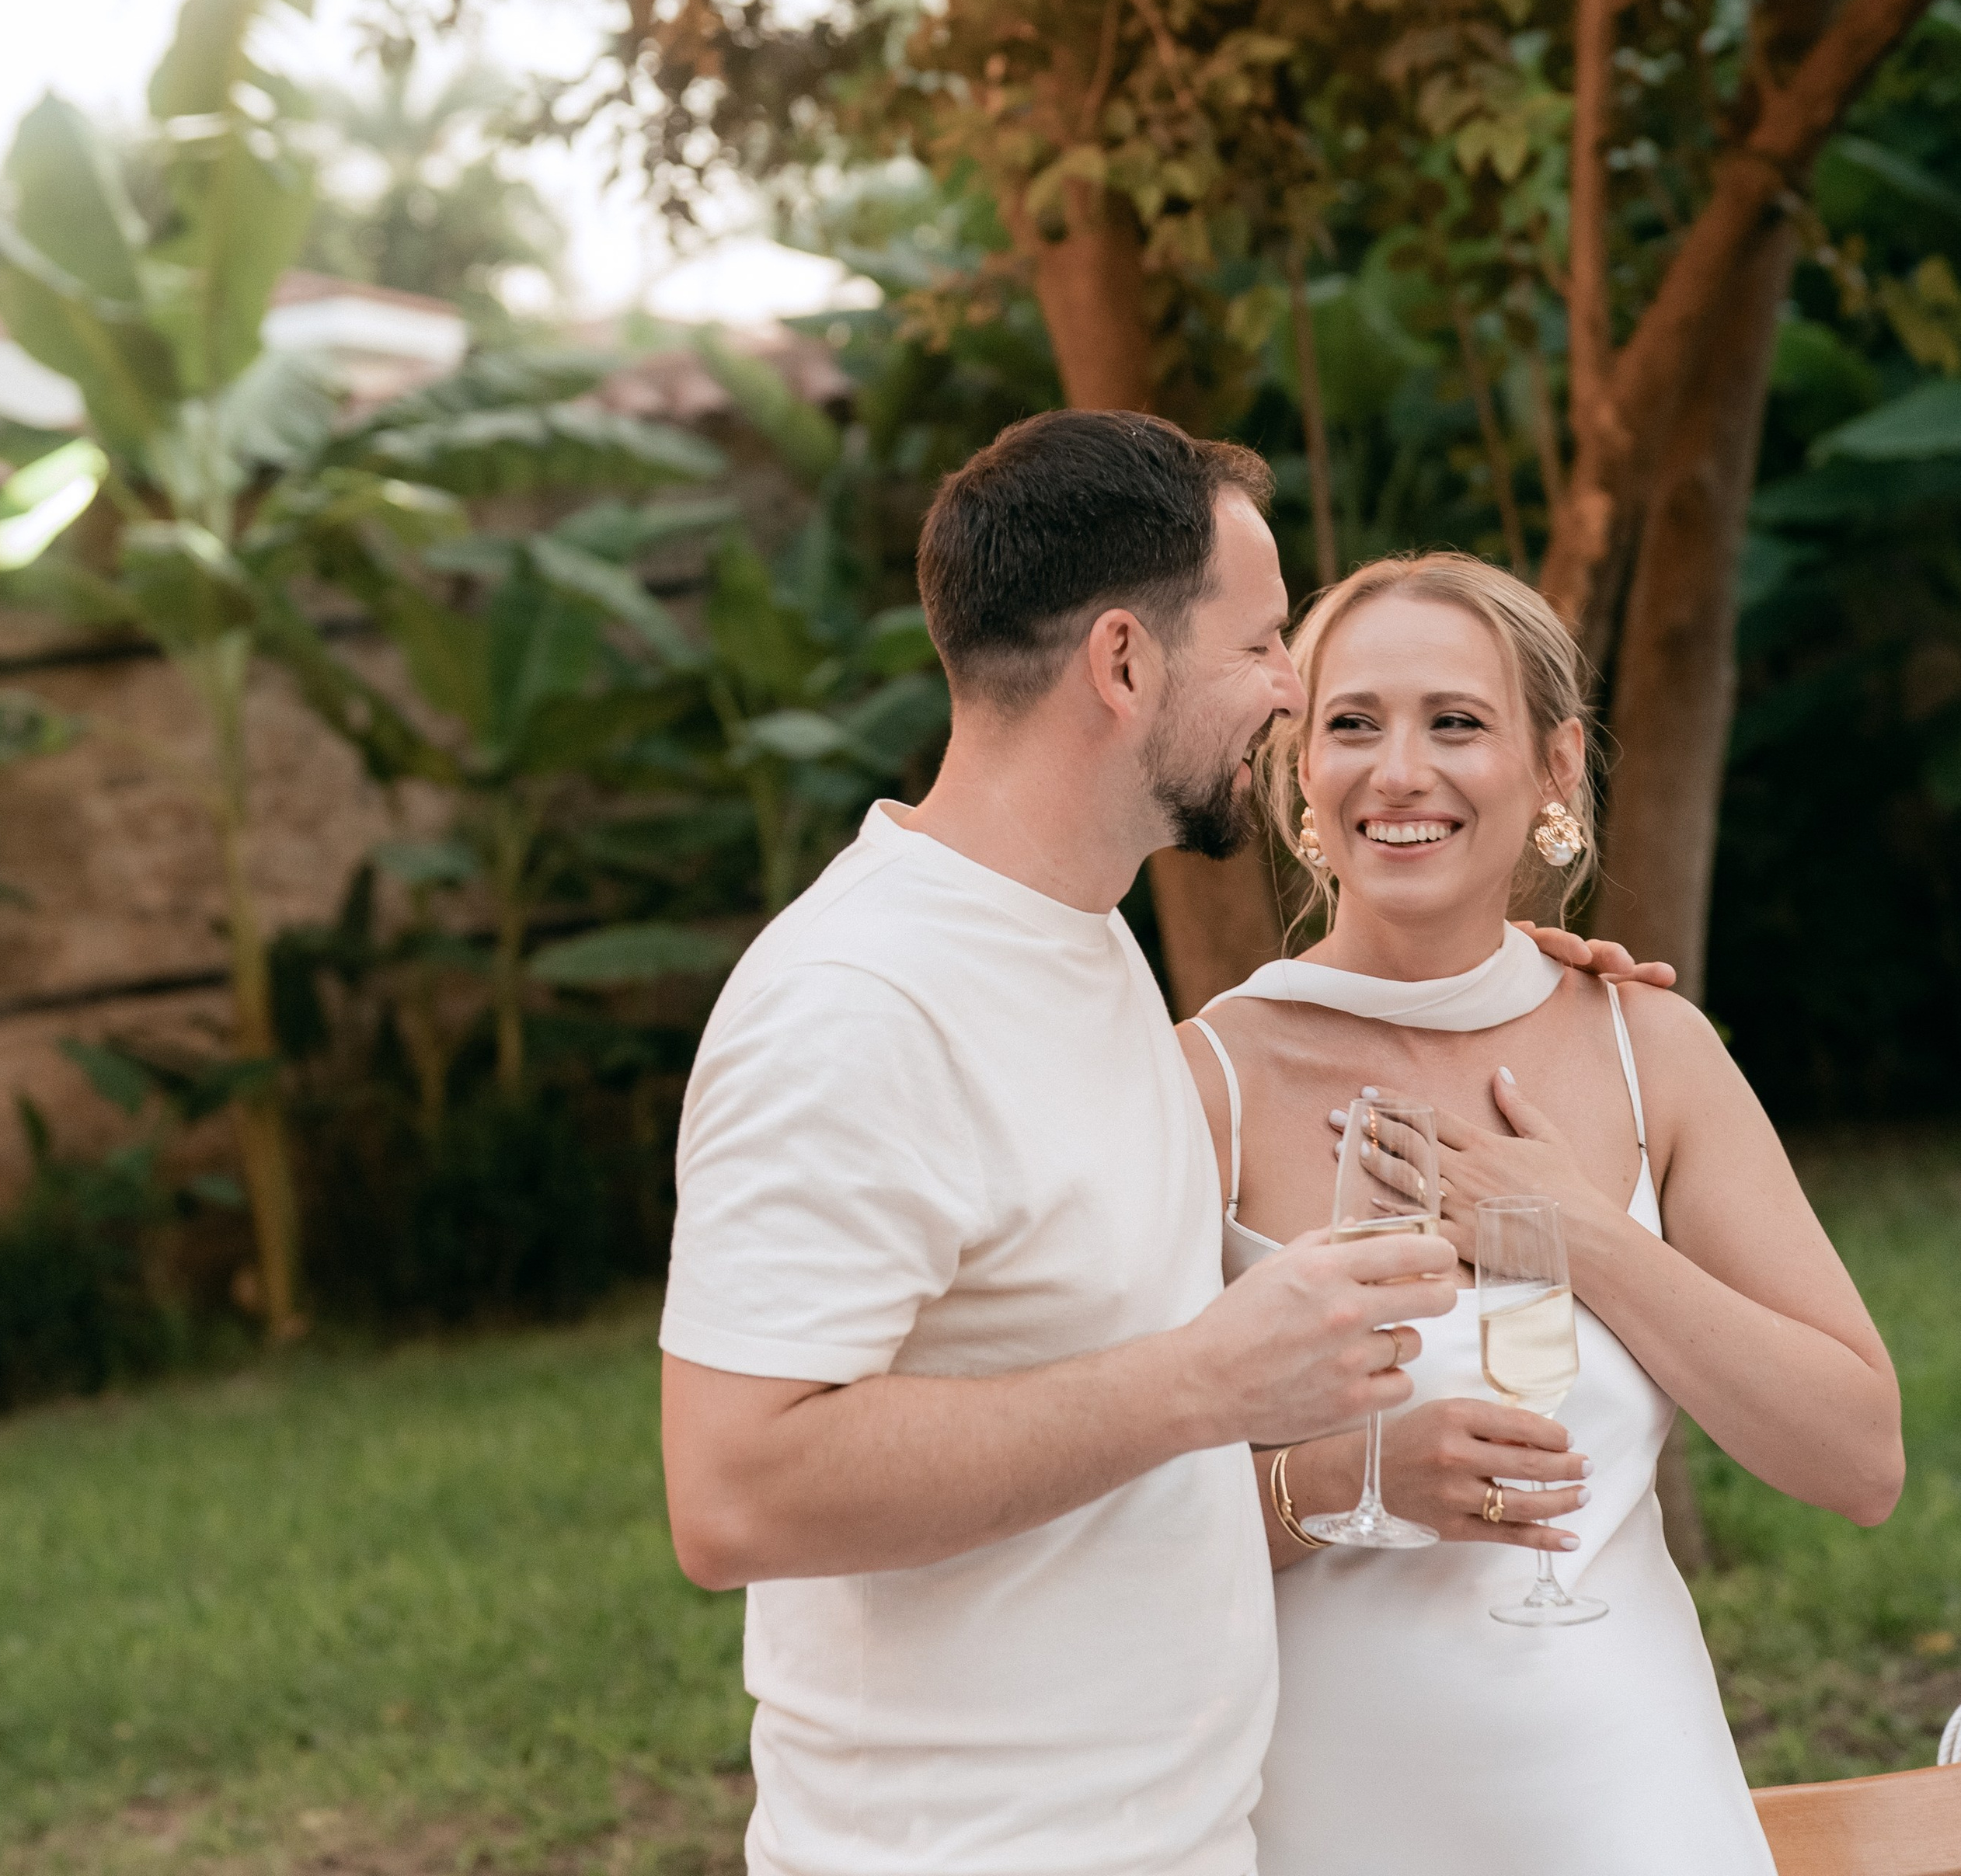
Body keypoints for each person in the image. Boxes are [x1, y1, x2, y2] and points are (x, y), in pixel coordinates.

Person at [660, 415, 1667, 1876]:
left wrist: (1505, 974)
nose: (1287, 690)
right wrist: (1206, 1382)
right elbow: (734, 1491)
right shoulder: (857, 1002)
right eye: (1264, 645)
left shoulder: (1078, 939)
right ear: (1125, 664)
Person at [1181, 551, 1905, 1876]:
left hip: (1635, 1809)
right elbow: (1093, 1515)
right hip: (1325, 1822)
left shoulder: (1652, 1048)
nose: (1400, 770)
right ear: (1299, 772)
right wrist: (1345, 1483)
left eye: (1456, 722)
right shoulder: (1205, 1083)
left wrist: (1583, 1237)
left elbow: (1858, 1461)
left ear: (1556, 766)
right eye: (1353, 724)